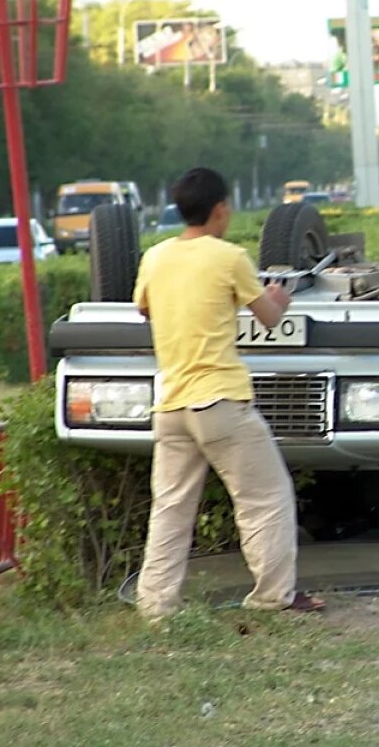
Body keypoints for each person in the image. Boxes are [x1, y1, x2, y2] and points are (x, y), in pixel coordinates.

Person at [133, 167, 326, 620]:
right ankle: (272, 597)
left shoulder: (155, 258)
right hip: (219, 401)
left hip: (171, 404)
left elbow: (143, 307)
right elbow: (269, 318)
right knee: (266, 496)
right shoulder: (229, 257)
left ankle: (156, 607)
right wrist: (280, 293)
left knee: (171, 508)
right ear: (220, 209)